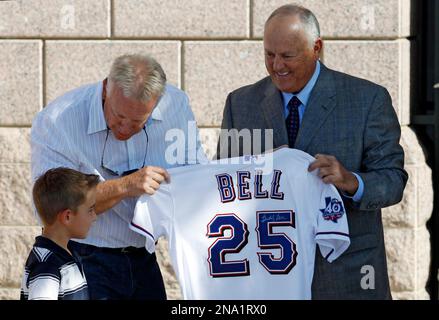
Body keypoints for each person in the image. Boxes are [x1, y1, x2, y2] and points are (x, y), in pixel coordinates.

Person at [217, 4, 408, 299]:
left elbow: (393, 181)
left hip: (347, 277)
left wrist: (351, 181)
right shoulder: (240, 104)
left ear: (316, 47)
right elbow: (223, 183)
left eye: (287, 56)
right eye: (269, 54)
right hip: (268, 279)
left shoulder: (368, 99)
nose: (277, 65)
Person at [31, 54, 206, 299]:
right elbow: (50, 210)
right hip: (83, 257)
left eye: (138, 122)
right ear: (105, 89)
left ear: (156, 104)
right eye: (118, 116)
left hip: (144, 258)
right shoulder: (57, 121)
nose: (124, 128)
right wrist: (125, 186)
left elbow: (195, 177)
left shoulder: (175, 106)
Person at [21, 167, 99, 300]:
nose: (95, 217)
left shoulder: (67, 253)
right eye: (90, 210)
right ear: (67, 216)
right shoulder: (47, 265)